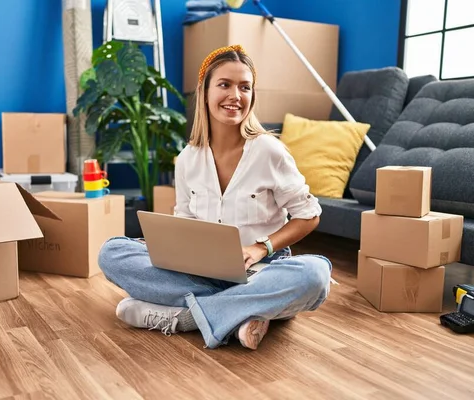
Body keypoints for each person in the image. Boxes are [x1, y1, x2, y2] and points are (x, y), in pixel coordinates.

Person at [97, 45, 332, 351]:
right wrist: (159, 244)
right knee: (112, 251)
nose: (236, 95)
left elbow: (309, 214)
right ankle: (242, 314)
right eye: (225, 85)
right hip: (201, 271)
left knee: (315, 275)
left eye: (244, 87)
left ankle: (187, 317)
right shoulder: (186, 160)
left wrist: (262, 248)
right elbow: (186, 221)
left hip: (262, 271)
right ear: (204, 92)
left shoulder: (269, 151)